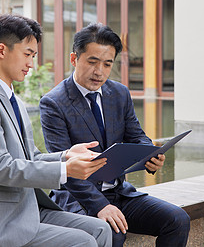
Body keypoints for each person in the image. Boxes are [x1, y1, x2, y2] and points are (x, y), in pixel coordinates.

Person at [0, 14, 113, 247]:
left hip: (26, 210)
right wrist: (65, 170)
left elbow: (32, 157)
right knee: (83, 242)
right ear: (2, 51)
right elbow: (1, 169)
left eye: (33, 56)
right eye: (27, 54)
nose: (31, 63)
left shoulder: (13, 99)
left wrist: (65, 155)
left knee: (100, 229)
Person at [39, 23, 190, 247]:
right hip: (78, 198)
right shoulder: (53, 103)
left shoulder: (119, 93)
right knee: (113, 233)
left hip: (120, 193)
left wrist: (151, 155)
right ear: (74, 59)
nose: (99, 71)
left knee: (177, 219)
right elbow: (65, 168)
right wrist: (99, 206)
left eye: (107, 64)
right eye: (92, 62)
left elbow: (137, 136)